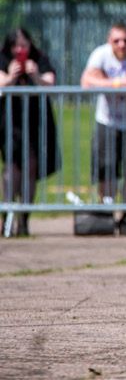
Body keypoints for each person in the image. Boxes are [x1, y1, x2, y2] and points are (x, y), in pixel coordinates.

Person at [80, 21, 126, 236]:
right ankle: (107, 213)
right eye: (116, 40)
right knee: (105, 169)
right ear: (109, 41)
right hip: (107, 121)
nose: (121, 45)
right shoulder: (100, 54)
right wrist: (121, 84)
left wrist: (106, 81)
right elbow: (86, 81)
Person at [0, 27, 61, 236]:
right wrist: (10, 76)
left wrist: (35, 75)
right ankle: (7, 216)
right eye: (15, 45)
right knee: (11, 168)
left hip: (35, 123)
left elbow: (51, 84)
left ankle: (24, 219)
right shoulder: (3, 59)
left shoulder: (39, 59)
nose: (20, 49)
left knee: (30, 169)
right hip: (10, 122)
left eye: (23, 45)